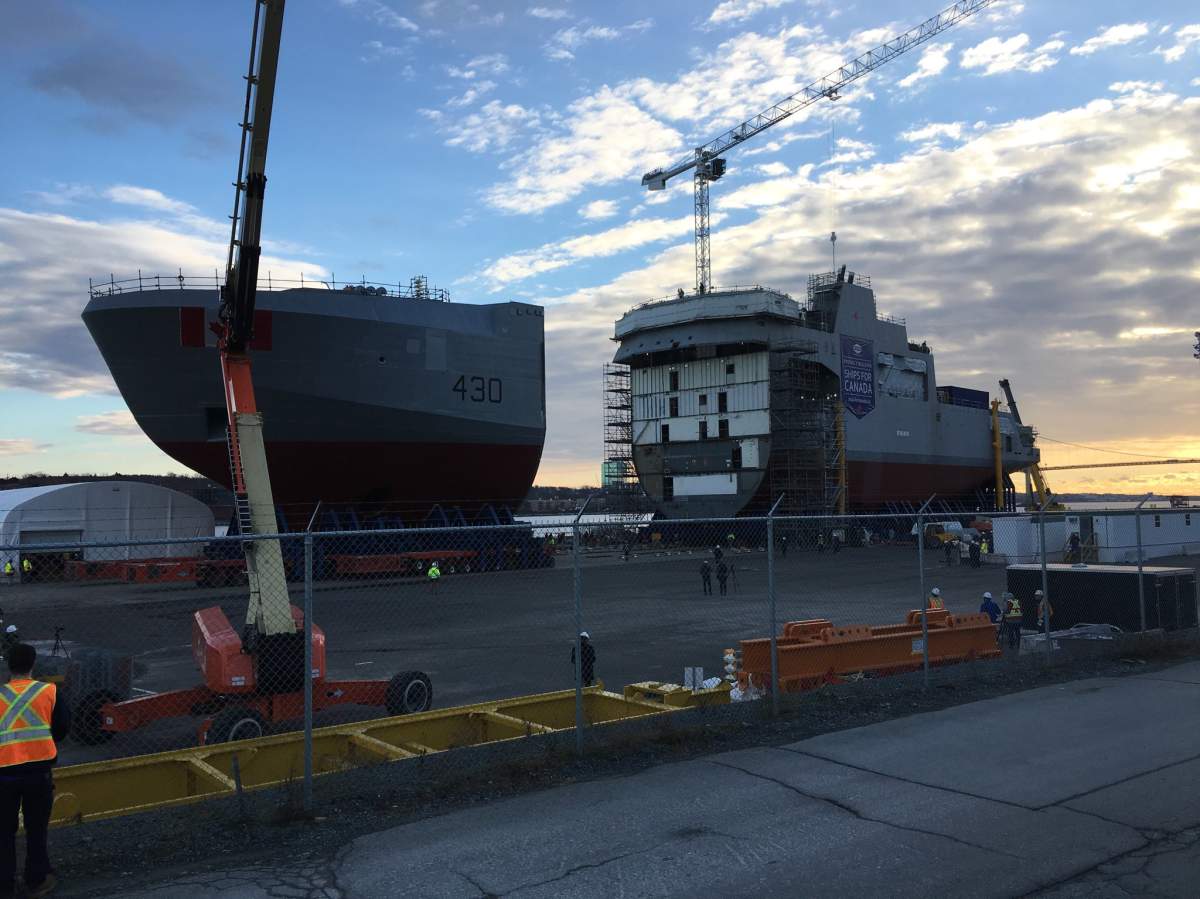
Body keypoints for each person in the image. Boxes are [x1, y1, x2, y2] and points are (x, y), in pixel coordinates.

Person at [0, 643, 70, 898]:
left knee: (3, 831)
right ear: (33, 665)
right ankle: (37, 879)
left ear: (9, 666)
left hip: (4, 773)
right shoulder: (48, 691)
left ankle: (4, 884)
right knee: (37, 829)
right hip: (38, 771)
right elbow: (61, 728)